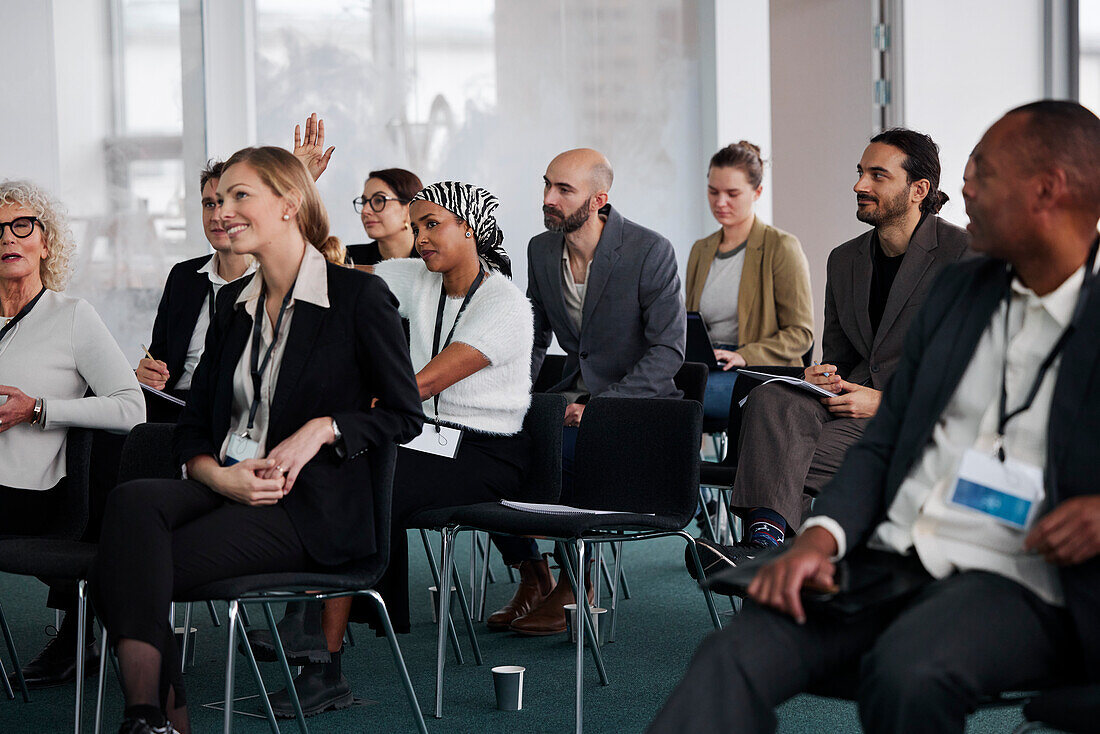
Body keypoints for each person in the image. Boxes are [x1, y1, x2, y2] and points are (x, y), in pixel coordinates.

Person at [651, 100, 1100, 734]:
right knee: (736, 651)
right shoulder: (963, 294)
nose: (964, 189)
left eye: (984, 173)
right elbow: (886, 444)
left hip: (1014, 574)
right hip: (890, 554)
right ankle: (772, 535)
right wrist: (819, 536)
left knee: (906, 671)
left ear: (1047, 191)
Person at [88, 146, 423, 734]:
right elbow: (194, 425)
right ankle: (154, 719)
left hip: (307, 505)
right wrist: (215, 475)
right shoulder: (230, 306)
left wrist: (323, 429)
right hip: (232, 482)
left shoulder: (357, 298)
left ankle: (151, 717)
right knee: (132, 501)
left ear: (289, 205)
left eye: (241, 196)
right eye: (217, 199)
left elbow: (404, 414)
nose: (224, 210)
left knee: (135, 563)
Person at [251, 181, 534, 718]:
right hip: (421, 437)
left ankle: (322, 662)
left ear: (469, 228)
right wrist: (297, 189)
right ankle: (312, 634)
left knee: (356, 476)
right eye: (416, 226)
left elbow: (420, 386)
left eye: (432, 225)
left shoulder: (505, 303)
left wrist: (355, 407)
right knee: (343, 467)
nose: (419, 237)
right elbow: (318, 274)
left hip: (484, 452)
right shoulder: (417, 278)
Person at [687, 128, 970, 569]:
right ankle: (769, 544)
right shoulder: (844, 259)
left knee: (776, 454)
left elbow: (973, 369)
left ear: (919, 190)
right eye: (860, 173)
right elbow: (840, 355)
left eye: (878, 175)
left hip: (917, 419)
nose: (860, 185)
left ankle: (768, 548)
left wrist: (884, 402)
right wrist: (821, 376)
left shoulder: (962, 254)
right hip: (846, 407)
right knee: (771, 397)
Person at [487, 148, 687, 637]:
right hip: (567, 398)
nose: (548, 198)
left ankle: (579, 582)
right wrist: (508, 394)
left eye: (563, 190)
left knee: (557, 453)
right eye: (547, 185)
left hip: (636, 409)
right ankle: (533, 573)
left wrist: (596, 406)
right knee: (485, 445)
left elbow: (668, 352)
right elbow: (533, 336)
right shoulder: (539, 249)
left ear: (599, 199)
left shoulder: (649, 250)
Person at [0, 180, 144, 690]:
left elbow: (132, 407)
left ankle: (92, 631)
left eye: (22, 226)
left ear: (46, 241)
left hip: (31, 493)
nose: (8, 238)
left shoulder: (73, 316)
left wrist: (38, 409)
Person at [685, 141, 813, 427]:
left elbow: (800, 333)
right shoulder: (701, 250)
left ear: (757, 193)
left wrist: (744, 354)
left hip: (755, 371)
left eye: (732, 194)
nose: (720, 202)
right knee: (650, 392)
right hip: (707, 365)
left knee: (679, 399)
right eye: (713, 191)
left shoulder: (781, 247)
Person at [135, 160, 256, 418]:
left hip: (236, 412)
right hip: (175, 409)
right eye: (209, 204)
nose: (216, 216)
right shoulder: (184, 277)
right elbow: (158, 357)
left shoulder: (270, 281)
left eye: (225, 203)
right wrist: (146, 373)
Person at [346, 168, 423, 266]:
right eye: (364, 202)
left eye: (378, 200)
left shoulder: (433, 261)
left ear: (410, 210)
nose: (365, 210)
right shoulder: (350, 259)